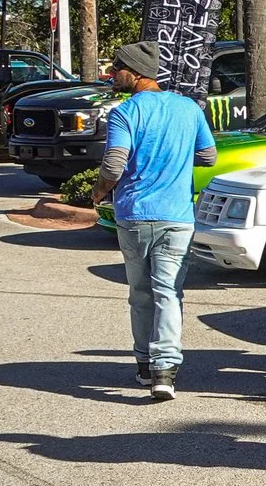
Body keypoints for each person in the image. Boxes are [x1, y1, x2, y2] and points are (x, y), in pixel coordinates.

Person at [90, 41, 219, 401]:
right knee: (168, 292)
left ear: (136, 72)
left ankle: (146, 365)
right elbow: (208, 156)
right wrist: (174, 159)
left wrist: (99, 191)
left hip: (134, 216)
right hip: (177, 216)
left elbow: (114, 164)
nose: (113, 73)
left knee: (140, 293)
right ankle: (166, 370)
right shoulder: (189, 109)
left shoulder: (125, 113)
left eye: (118, 67)